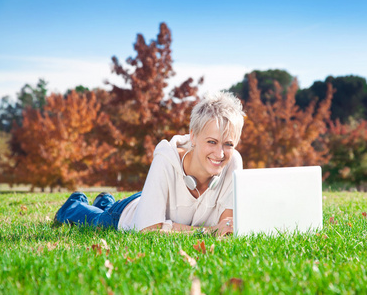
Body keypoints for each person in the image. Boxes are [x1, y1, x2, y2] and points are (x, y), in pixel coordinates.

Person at [54, 91, 245, 236]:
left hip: (153, 201)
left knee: (107, 207)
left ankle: (105, 201)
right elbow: (148, 229)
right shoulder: (166, 158)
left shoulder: (233, 162)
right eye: (211, 141)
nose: (220, 153)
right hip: (130, 213)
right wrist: (207, 231)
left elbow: (226, 227)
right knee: (96, 221)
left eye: (228, 144)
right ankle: (75, 203)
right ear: (193, 136)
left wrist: (220, 230)